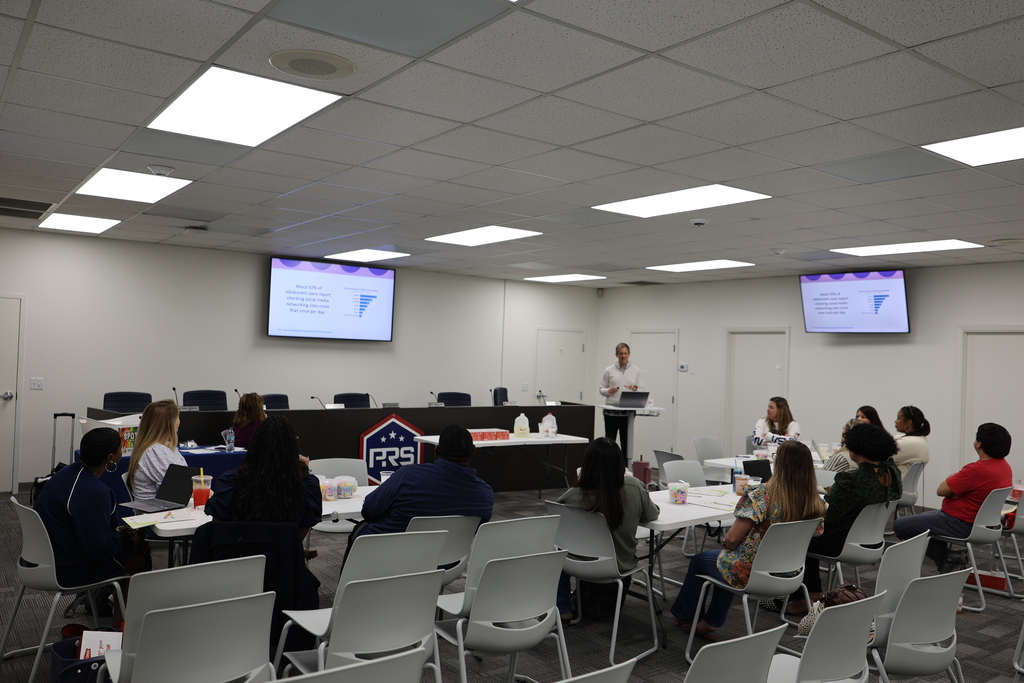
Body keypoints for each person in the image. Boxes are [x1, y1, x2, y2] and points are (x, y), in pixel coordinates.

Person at [670, 440, 825, 639]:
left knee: (704, 560)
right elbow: (817, 534)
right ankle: (710, 621)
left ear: (779, 464)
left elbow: (732, 540)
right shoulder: (815, 502)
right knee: (726, 560)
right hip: (791, 574)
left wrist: (730, 545)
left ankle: (691, 618)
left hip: (753, 573)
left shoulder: (761, 495)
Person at [787, 423, 901, 613]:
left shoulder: (851, 479)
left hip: (842, 540)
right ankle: (810, 591)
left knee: (799, 535)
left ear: (857, 449)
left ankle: (804, 596)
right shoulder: (891, 473)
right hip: (871, 540)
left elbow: (827, 516)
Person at [555, 438, 659, 622]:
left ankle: (562, 607)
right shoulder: (634, 486)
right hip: (620, 564)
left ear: (587, 463)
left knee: (553, 550)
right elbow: (652, 514)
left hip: (578, 562)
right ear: (620, 463)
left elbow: (555, 519)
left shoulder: (574, 494)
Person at [34, 428, 148, 594]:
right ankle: (122, 617)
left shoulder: (64, 474)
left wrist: (114, 533)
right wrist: (118, 537)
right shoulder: (95, 492)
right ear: (110, 458)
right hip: (66, 570)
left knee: (132, 541)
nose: (122, 451)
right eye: (121, 449)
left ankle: (113, 603)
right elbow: (99, 552)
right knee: (137, 556)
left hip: (43, 559)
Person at [893, 422, 1012, 572]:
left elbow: (941, 490)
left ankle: (947, 559)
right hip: (983, 524)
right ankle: (949, 560)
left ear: (979, 444)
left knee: (901, 525)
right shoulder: (1004, 467)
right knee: (924, 520)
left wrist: (954, 483)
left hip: (961, 523)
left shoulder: (976, 470)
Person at [353, 423, 494, 541]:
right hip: (446, 563)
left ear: (436, 449)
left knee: (359, 529)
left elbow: (369, 510)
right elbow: (472, 531)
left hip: (387, 557)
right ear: (473, 451)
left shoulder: (409, 475)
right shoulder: (485, 494)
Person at [205, 415, 322, 540]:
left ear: (254, 444)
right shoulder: (307, 486)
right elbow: (298, 538)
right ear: (293, 447)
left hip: (239, 555)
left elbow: (218, 528)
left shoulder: (231, 482)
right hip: (284, 556)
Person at [127, 399, 185, 500]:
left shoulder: (166, 447)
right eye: (178, 418)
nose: (179, 421)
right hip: (158, 512)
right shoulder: (154, 451)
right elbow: (182, 488)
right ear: (169, 424)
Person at [599, 343, 643, 450]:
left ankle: (625, 466)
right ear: (616, 355)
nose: (623, 356)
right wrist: (609, 391)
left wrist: (635, 389)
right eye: (621, 353)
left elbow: (642, 389)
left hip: (628, 412)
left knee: (626, 443)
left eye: (625, 353)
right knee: (609, 442)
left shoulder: (636, 370)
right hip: (611, 412)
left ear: (629, 354)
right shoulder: (609, 370)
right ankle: (609, 465)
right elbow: (601, 389)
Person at [892, 405, 930, 478]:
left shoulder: (911, 442)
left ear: (908, 422)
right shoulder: (919, 439)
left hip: (893, 487)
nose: (895, 421)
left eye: (898, 418)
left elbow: (878, 456)